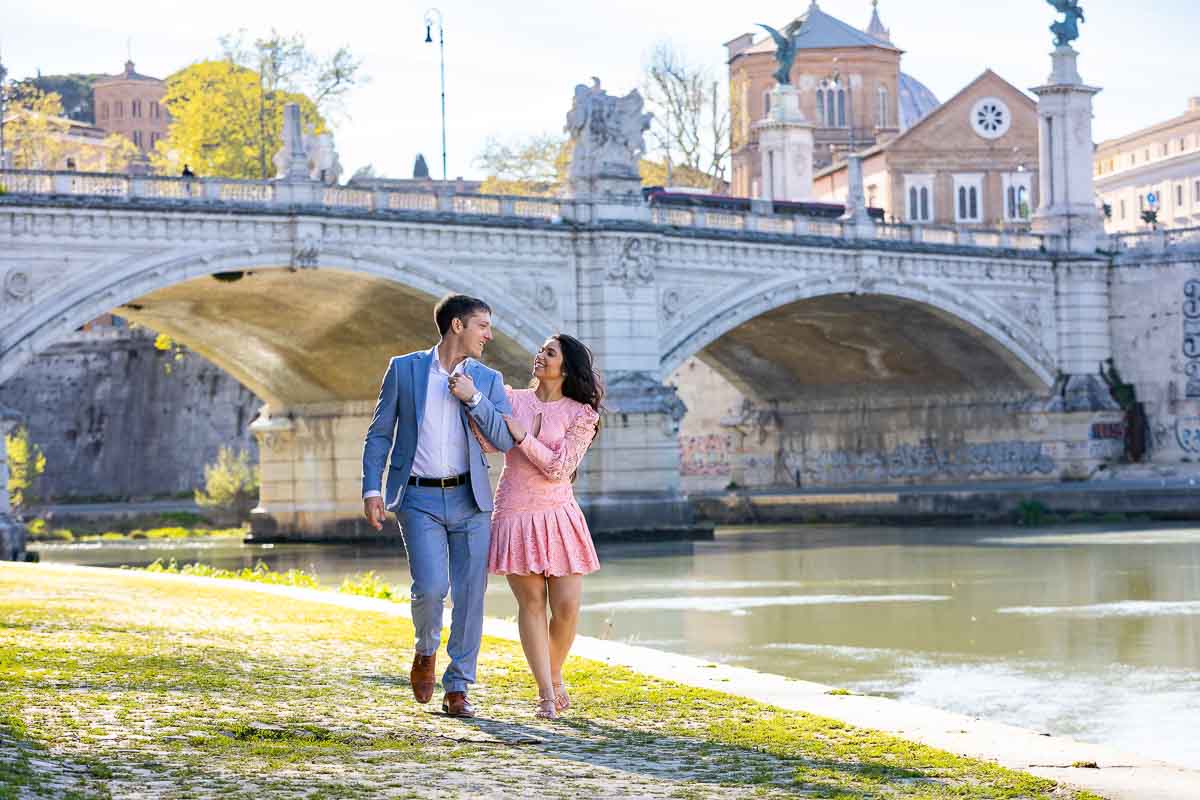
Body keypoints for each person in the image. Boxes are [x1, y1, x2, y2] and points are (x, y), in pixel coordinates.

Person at [361, 294, 515, 718]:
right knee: (431, 588)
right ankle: (425, 649)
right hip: (418, 497)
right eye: (483, 325)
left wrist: (474, 399)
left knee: (471, 596)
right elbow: (379, 435)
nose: (489, 334)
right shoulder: (404, 369)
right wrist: (372, 489)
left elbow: (503, 439)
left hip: (471, 498)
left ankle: (459, 686)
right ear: (457, 326)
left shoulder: (487, 379)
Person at [477, 334, 603, 719]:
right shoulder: (512, 399)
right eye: (542, 350)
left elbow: (559, 468)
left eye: (550, 352)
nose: (540, 355)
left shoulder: (582, 414)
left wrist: (522, 435)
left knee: (566, 611)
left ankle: (554, 673)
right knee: (531, 605)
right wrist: (477, 402)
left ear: (565, 367)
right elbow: (487, 443)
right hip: (514, 511)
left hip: (559, 516)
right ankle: (546, 693)